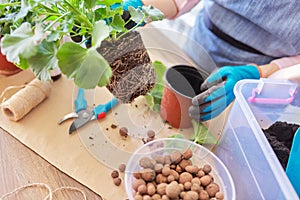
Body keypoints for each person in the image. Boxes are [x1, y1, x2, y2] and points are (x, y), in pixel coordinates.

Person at [123, 0, 300, 121]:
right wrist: (139, 7)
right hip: (203, 43)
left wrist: (258, 74)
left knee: (226, 134)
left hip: (267, 76)